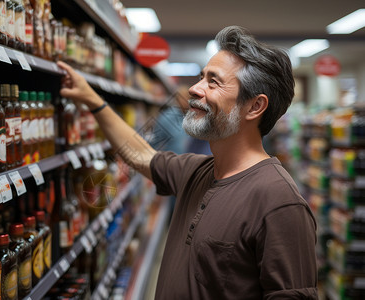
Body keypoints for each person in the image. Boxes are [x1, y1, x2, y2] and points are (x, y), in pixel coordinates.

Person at [57, 25, 318, 299]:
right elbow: (140, 155)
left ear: (255, 106)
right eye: (201, 77)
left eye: (213, 82)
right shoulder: (196, 171)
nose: (194, 88)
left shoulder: (280, 203)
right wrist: (92, 100)